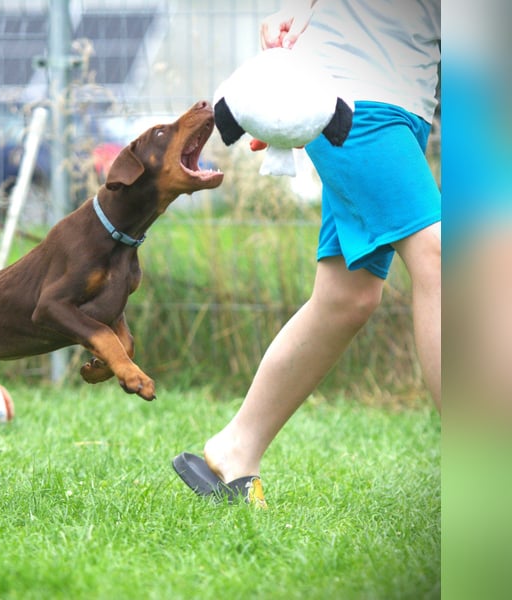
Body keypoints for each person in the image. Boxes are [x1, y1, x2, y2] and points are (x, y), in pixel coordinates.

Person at [173, 0, 441, 506]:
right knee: (442, 260)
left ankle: (236, 447)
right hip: (355, 97)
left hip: (405, 96)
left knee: (347, 298)